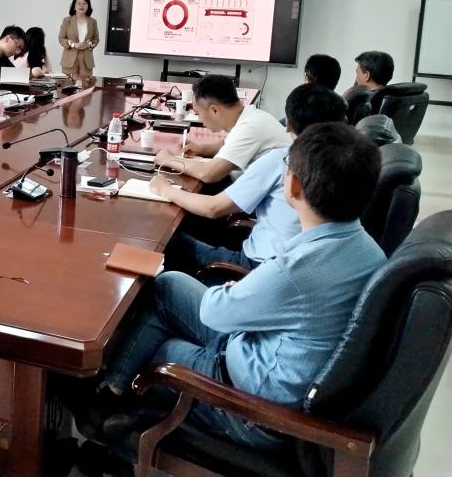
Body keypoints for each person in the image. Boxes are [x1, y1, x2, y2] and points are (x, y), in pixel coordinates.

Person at [75, 122, 384, 449]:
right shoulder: (369, 249)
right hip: (271, 356)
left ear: (293, 186)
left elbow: (215, 313)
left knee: (163, 351)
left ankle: (112, 428)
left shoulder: (296, 268)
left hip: (254, 408)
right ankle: (111, 390)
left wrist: (239, 292)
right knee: (168, 286)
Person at [151, 83, 348, 273]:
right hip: (297, 260)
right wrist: (202, 149)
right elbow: (228, 144)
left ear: (288, 125)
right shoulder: (340, 163)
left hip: (259, 265)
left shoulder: (283, 160)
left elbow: (213, 207)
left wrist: (165, 189)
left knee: (169, 243)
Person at [154, 74, 290, 184]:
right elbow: (227, 144)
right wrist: (201, 148)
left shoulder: (249, 128)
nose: (199, 119)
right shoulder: (252, 116)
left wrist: (168, 159)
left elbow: (209, 174)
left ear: (214, 110)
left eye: (198, 113)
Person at [58, 0, 100, 83]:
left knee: (85, 86)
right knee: (68, 87)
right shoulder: (67, 20)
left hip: (86, 60)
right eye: (79, 3)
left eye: (84, 3)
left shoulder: (93, 22)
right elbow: (61, 38)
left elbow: (96, 39)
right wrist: (73, 44)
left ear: (88, 6)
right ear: (74, 6)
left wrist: (88, 44)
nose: (81, 6)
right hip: (70, 60)